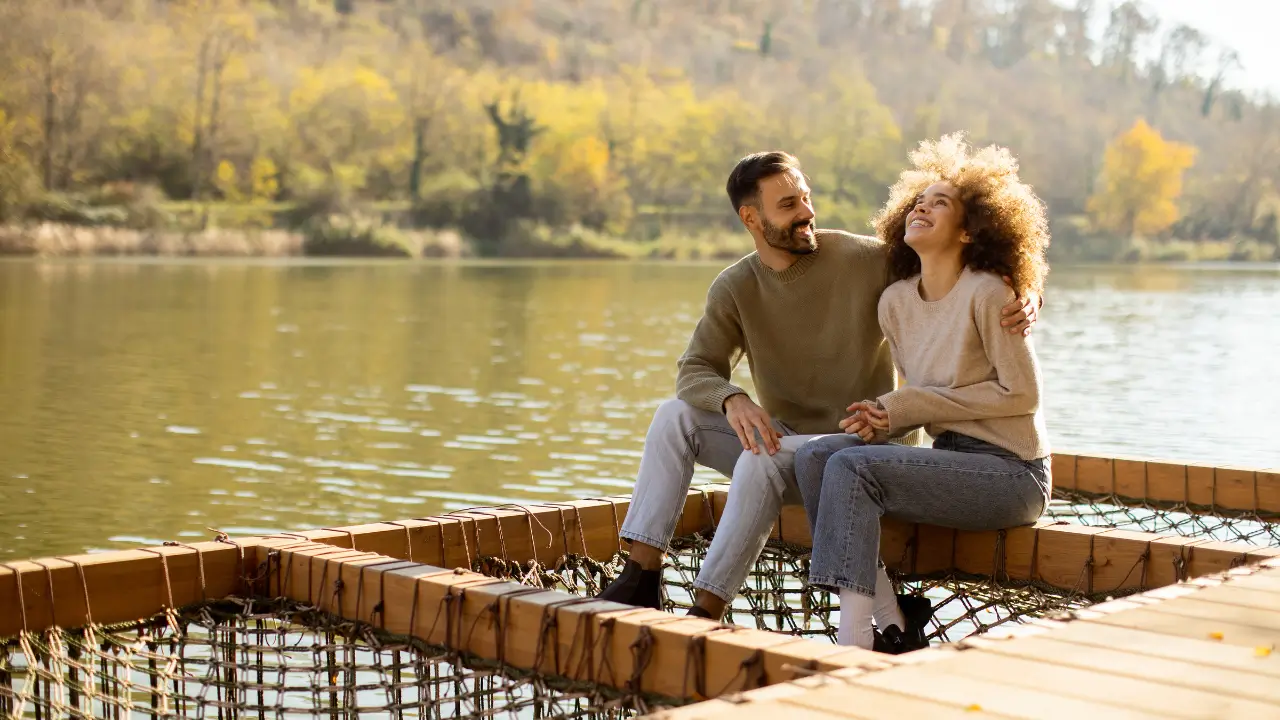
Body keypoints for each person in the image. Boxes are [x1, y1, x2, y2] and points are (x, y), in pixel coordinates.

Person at [595, 150, 1042, 621]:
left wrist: (1029, 291)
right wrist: (732, 399)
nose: (807, 213)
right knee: (674, 417)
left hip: (868, 444)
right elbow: (694, 369)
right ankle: (642, 576)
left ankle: (707, 608)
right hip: (789, 442)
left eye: (806, 198)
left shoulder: (865, 259)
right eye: (788, 205)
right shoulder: (735, 286)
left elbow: (961, 262)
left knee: (759, 457)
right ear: (751, 217)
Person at [793, 133, 1054, 654]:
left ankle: (852, 645)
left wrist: (910, 406)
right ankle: (892, 621)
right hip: (949, 459)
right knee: (818, 457)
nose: (923, 207)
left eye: (941, 203)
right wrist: (885, 420)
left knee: (851, 468)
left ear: (968, 230)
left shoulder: (989, 292)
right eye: (918, 200)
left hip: (1012, 473)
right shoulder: (894, 302)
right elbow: (924, 398)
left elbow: (1021, 395)